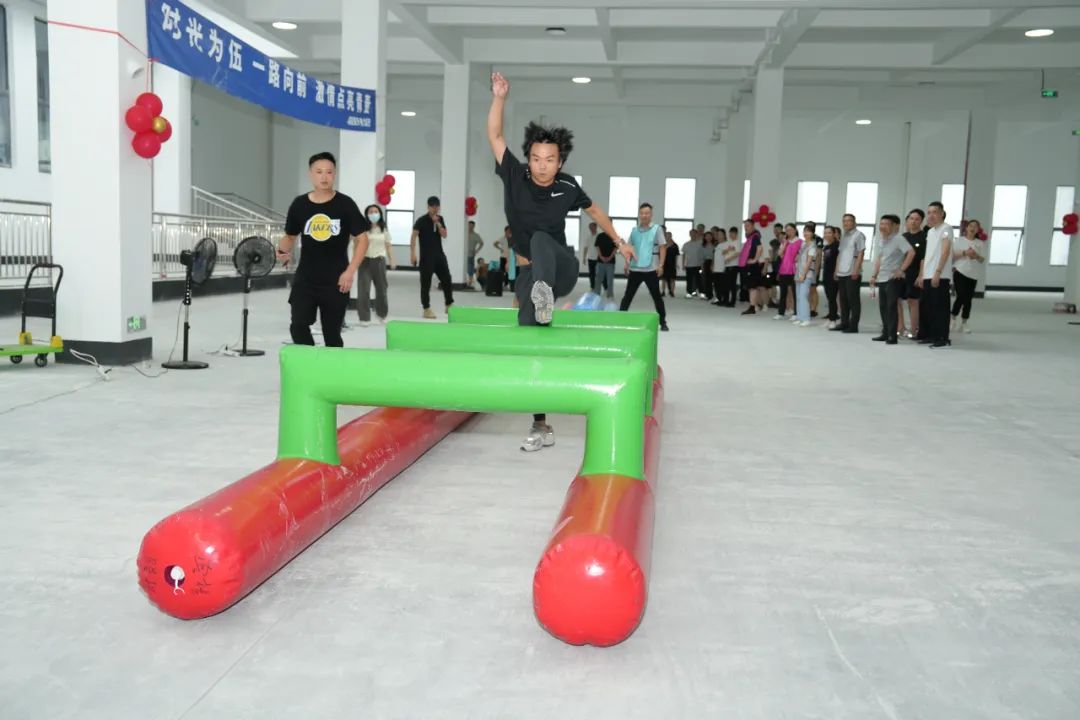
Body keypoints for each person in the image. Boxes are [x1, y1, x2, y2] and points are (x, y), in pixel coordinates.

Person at [487, 72, 633, 452]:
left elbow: (595, 211)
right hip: (528, 271)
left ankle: (545, 294)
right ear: (529, 158)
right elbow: (496, 136)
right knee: (531, 340)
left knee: (540, 239)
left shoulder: (567, 186)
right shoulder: (514, 175)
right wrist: (499, 98)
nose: (541, 166)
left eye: (550, 160)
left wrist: (619, 241)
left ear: (560, 161)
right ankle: (541, 425)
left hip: (561, 268)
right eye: (536, 158)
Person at [276, 152, 369, 348]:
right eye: (319, 172)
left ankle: (331, 366)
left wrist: (350, 271)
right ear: (311, 174)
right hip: (305, 278)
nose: (324, 177)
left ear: (334, 175)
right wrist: (281, 251)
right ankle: (311, 361)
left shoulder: (345, 204)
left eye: (329, 172)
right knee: (298, 326)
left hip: (336, 280)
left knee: (332, 334)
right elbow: (290, 236)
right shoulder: (300, 204)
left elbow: (362, 239)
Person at [619, 203, 669, 331]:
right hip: (635, 269)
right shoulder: (634, 230)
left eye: (647, 213)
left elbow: (663, 247)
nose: (644, 215)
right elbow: (629, 248)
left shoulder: (657, 229)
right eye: (642, 213)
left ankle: (663, 322)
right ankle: (619, 320)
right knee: (628, 295)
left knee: (656, 297)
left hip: (651, 269)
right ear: (639, 214)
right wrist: (626, 263)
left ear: (651, 214)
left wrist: (661, 265)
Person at [868, 214, 915, 345]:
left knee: (891, 307)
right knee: (883, 307)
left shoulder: (899, 239)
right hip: (882, 278)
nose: (883, 227)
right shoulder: (882, 240)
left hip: (893, 278)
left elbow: (911, 253)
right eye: (881, 224)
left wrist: (901, 270)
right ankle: (885, 332)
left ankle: (892, 336)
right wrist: (874, 275)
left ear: (894, 226)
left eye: (886, 224)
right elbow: (879, 259)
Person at [410, 196, 455, 319]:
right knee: (426, 284)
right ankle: (426, 308)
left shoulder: (440, 219)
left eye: (437, 206)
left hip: (439, 255)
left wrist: (438, 223)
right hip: (426, 257)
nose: (435, 209)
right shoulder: (421, 220)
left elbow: (444, 235)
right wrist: (413, 253)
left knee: (447, 279)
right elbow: (413, 236)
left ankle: (449, 304)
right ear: (428, 207)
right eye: (432, 206)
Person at [918, 201, 955, 349]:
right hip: (928, 274)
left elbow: (945, 251)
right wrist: (922, 274)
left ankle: (942, 337)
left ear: (941, 214)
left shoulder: (946, 229)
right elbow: (928, 255)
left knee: (940, 308)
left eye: (934, 212)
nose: (931, 215)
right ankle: (931, 335)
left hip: (940, 275)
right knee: (928, 307)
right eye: (929, 212)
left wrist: (938, 272)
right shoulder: (930, 231)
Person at [356, 204, 395, 326]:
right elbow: (356, 244)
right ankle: (364, 318)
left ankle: (381, 314)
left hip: (379, 261)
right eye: (371, 212)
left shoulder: (384, 228)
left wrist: (392, 259)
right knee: (364, 290)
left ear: (380, 214)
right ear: (367, 215)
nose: (373, 214)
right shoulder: (363, 228)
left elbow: (388, 245)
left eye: (376, 211)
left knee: (382, 289)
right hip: (365, 261)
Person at [830, 214, 866, 334]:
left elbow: (861, 253)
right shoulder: (844, 236)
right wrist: (836, 270)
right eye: (844, 221)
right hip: (842, 271)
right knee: (843, 299)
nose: (846, 223)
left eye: (849, 221)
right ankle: (844, 322)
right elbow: (840, 254)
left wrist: (856, 269)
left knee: (853, 299)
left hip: (852, 272)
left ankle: (853, 325)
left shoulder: (859, 235)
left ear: (854, 222)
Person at [951, 218, 987, 334]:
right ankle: (953, 318)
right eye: (971, 226)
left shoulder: (980, 243)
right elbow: (952, 255)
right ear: (966, 228)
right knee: (961, 295)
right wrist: (965, 253)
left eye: (975, 226)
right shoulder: (959, 241)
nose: (972, 228)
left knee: (968, 299)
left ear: (978, 230)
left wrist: (975, 256)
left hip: (973, 274)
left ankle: (964, 322)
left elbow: (982, 260)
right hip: (960, 271)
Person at [901, 209, 927, 340]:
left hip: (915, 272)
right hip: (903, 272)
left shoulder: (924, 237)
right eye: (911, 218)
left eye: (917, 219)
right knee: (903, 300)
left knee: (913, 301)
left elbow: (923, 258)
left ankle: (914, 330)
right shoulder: (904, 236)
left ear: (921, 221)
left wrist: (921, 275)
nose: (913, 221)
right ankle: (903, 328)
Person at [794, 224, 819, 327]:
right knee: (799, 296)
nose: (805, 233)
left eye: (808, 231)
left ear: (812, 233)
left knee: (804, 296)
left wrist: (803, 274)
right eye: (804, 231)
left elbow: (809, 261)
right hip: (798, 273)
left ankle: (806, 318)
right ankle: (800, 317)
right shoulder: (803, 244)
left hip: (806, 274)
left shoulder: (813, 245)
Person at [774, 224, 800, 320]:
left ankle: (796, 313)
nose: (788, 232)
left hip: (794, 269)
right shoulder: (785, 242)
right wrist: (785, 243)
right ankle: (781, 312)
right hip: (784, 269)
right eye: (787, 230)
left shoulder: (800, 242)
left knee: (795, 292)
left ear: (795, 230)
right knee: (783, 292)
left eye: (790, 230)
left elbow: (800, 256)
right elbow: (780, 254)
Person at [739, 220, 765, 314]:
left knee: (752, 287)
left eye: (748, 225)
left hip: (752, 265)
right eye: (745, 226)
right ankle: (755, 305)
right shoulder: (751, 237)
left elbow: (760, 248)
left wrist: (754, 259)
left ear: (753, 226)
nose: (746, 227)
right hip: (749, 265)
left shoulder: (755, 236)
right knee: (752, 286)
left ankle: (752, 307)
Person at [820, 226, 841, 328]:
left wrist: (836, 273)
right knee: (829, 298)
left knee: (832, 297)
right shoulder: (826, 247)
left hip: (834, 275)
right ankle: (830, 318)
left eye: (829, 232)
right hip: (826, 274)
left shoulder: (837, 246)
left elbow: (839, 260)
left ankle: (833, 320)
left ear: (834, 234)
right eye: (825, 233)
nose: (827, 235)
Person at [594, 230, 617, 299]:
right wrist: (601, 257)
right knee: (598, 279)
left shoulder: (614, 236)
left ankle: (610, 294)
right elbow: (597, 247)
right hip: (600, 261)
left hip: (611, 262)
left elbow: (615, 248)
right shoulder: (600, 236)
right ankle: (596, 294)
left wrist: (610, 257)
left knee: (610, 279)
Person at [682, 230, 704, 297]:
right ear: (689, 234)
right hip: (689, 265)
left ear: (696, 234)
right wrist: (683, 264)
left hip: (698, 265)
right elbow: (684, 255)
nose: (693, 235)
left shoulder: (700, 244)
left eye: (694, 233)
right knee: (689, 280)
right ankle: (689, 293)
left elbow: (702, 255)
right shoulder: (686, 244)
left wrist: (702, 265)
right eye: (691, 234)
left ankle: (702, 293)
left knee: (699, 280)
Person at [710, 228, 729, 305]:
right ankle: (719, 299)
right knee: (716, 285)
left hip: (723, 268)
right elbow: (714, 256)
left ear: (724, 235)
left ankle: (725, 300)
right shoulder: (717, 245)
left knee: (723, 285)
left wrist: (726, 267)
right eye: (717, 234)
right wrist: (712, 265)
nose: (718, 236)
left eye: (720, 234)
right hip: (716, 268)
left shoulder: (727, 244)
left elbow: (728, 257)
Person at [724, 225, 741, 307]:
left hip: (734, 265)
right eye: (730, 233)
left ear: (736, 234)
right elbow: (724, 252)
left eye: (732, 233)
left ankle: (732, 302)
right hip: (728, 265)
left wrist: (729, 259)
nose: (731, 235)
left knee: (732, 284)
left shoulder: (737, 242)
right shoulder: (729, 242)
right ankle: (726, 300)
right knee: (727, 283)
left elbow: (738, 253)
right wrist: (725, 251)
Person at [661, 230, 679, 297]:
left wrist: (676, 264)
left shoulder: (675, 245)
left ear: (671, 236)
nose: (667, 237)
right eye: (666, 236)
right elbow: (660, 254)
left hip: (672, 264)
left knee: (672, 279)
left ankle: (672, 292)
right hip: (664, 264)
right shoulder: (663, 245)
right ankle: (663, 291)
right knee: (663, 279)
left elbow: (676, 256)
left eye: (669, 236)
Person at [582, 221, 600, 291]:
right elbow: (585, 247)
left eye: (592, 227)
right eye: (590, 228)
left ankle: (598, 286)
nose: (590, 229)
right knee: (591, 274)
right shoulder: (588, 236)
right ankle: (592, 287)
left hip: (598, 258)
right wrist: (584, 258)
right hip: (590, 258)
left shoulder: (599, 236)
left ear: (595, 227)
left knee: (598, 274)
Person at [467, 220, 484, 289]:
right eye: (469, 225)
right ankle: (469, 282)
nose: (470, 227)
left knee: (470, 269)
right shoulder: (464, 234)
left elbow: (481, 243)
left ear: (474, 226)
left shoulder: (476, 235)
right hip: (463, 255)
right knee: (467, 269)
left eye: (472, 226)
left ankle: (470, 283)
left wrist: (477, 250)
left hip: (471, 255)